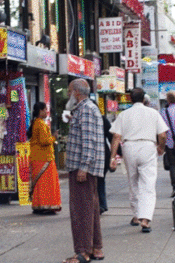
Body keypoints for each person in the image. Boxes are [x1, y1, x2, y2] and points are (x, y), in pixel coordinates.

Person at [109, 88, 169, 233]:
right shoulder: (153, 113)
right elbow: (162, 135)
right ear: (144, 99)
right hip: (148, 146)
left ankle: (136, 215)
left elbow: (116, 137)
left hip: (129, 147)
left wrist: (112, 157)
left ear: (130, 99)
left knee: (133, 182)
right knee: (148, 183)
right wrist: (161, 148)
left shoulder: (124, 114)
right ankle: (145, 218)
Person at [63, 79, 105, 263]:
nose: (67, 94)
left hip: (82, 168)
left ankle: (83, 252)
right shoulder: (84, 109)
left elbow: (89, 141)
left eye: (69, 91)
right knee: (91, 208)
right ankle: (96, 248)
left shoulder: (86, 109)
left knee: (81, 210)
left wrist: (84, 167)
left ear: (76, 93)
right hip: (83, 167)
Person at [27, 102, 61, 214]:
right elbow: (44, 141)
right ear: (40, 111)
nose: (47, 111)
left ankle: (39, 205)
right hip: (43, 158)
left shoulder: (36, 123)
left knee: (40, 184)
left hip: (39, 157)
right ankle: (46, 206)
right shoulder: (40, 124)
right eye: (45, 109)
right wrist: (54, 137)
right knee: (46, 184)